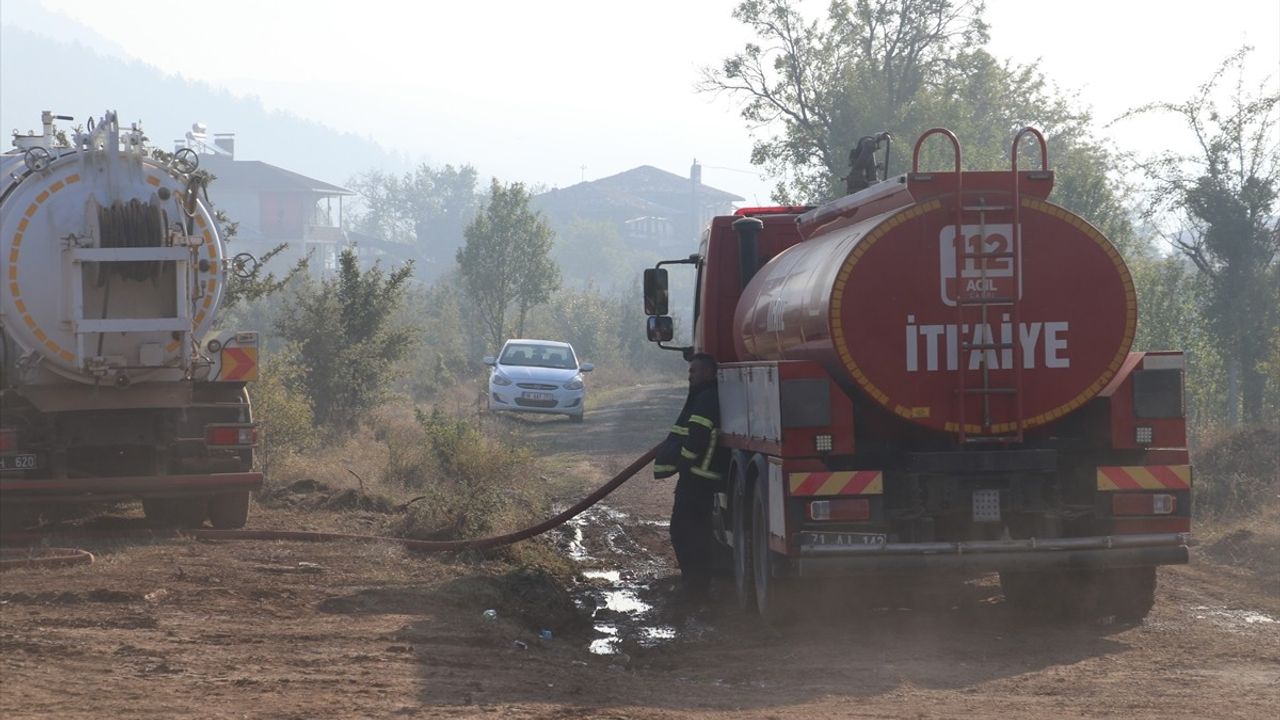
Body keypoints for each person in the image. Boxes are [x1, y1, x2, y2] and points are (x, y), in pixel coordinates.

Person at [654, 352, 728, 604]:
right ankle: (696, 586)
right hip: (698, 477)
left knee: (685, 531)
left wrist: (683, 462)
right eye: (689, 371)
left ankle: (695, 588)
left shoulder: (706, 398)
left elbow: (696, 436)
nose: (690, 376)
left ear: (710, 372)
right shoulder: (704, 395)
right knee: (694, 532)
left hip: (697, 478)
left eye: (694, 371)